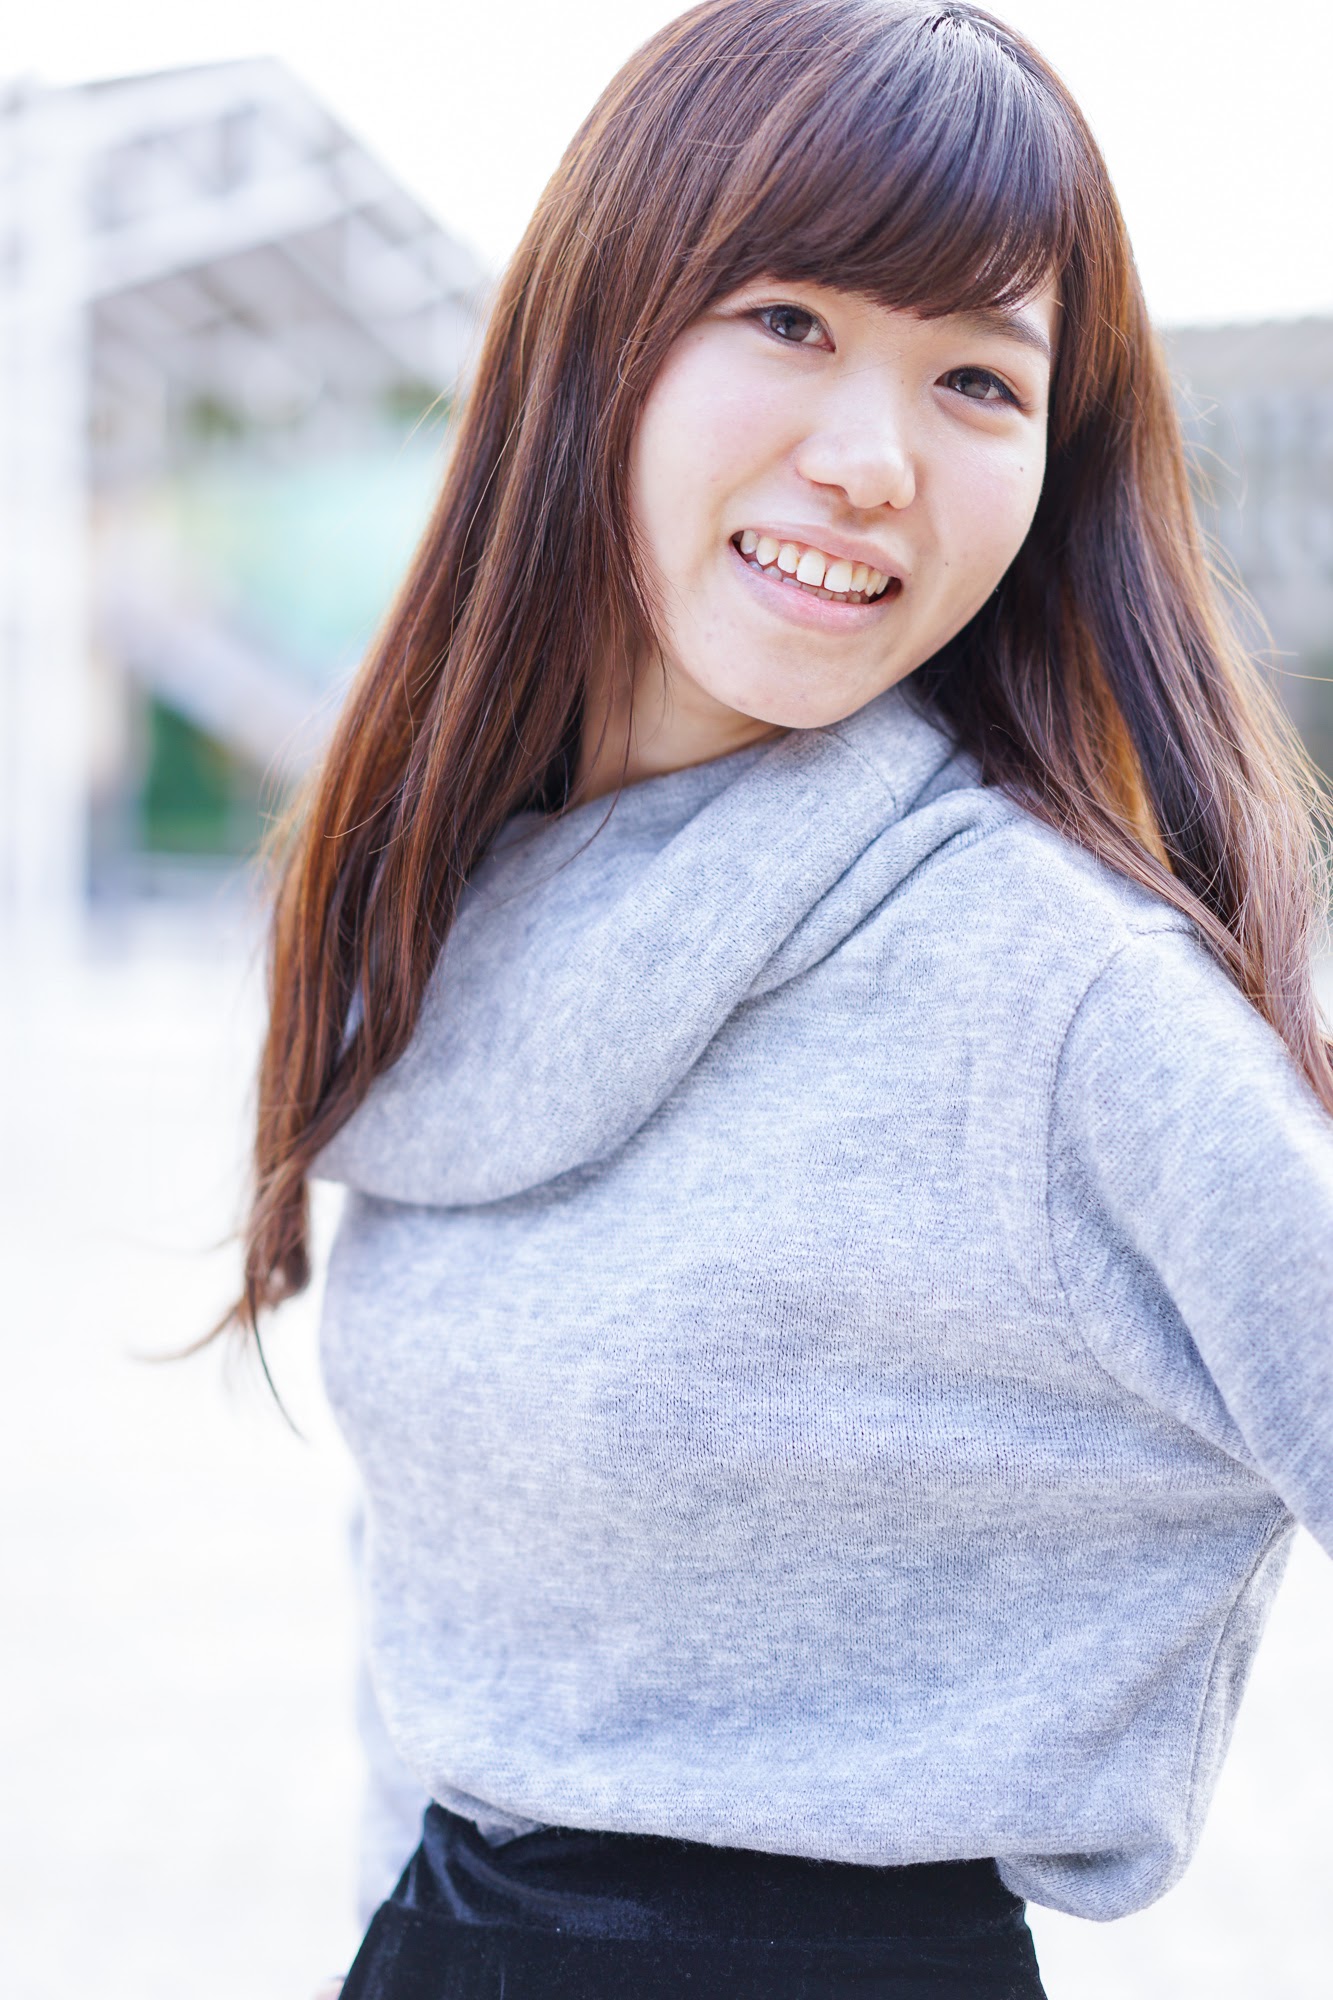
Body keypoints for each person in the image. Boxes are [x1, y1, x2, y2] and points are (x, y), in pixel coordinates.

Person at [214, 1, 1333, 1994]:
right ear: (595, 334)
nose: (870, 461)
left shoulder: (1054, 993)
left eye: (976, 378)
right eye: (791, 319)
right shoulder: (466, 910)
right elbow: (455, 1642)